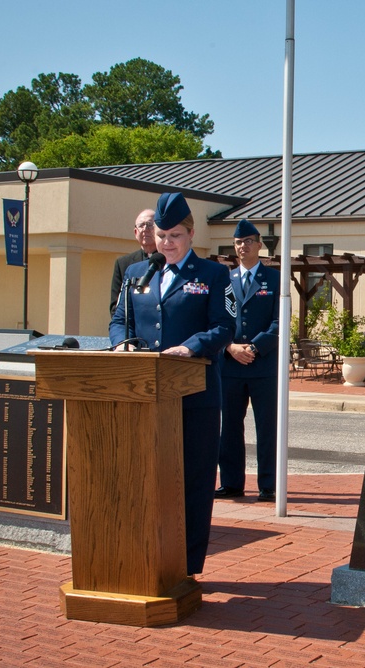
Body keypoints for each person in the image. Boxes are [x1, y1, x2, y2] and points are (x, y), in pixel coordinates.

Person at [109, 192, 235, 576]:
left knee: (193, 482)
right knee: (143, 477)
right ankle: (144, 556)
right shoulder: (137, 274)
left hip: (194, 393)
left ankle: (186, 565)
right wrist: (121, 345)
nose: (166, 242)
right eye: (162, 235)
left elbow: (225, 327)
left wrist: (191, 347)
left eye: (175, 235)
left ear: (191, 234)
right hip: (144, 394)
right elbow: (119, 320)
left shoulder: (213, 275)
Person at [216, 220, 281, 502]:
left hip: (262, 365)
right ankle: (231, 482)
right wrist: (230, 347)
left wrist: (253, 347)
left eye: (249, 241)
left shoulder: (275, 279)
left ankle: (268, 484)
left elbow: (280, 322)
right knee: (229, 426)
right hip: (230, 365)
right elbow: (216, 321)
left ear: (259, 245)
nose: (244, 247)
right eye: (239, 242)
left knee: (267, 426)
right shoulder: (224, 281)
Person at [109, 208, 158, 316]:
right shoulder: (124, 264)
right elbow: (115, 307)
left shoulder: (168, 259)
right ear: (136, 232)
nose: (145, 229)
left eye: (150, 225)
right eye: (141, 225)